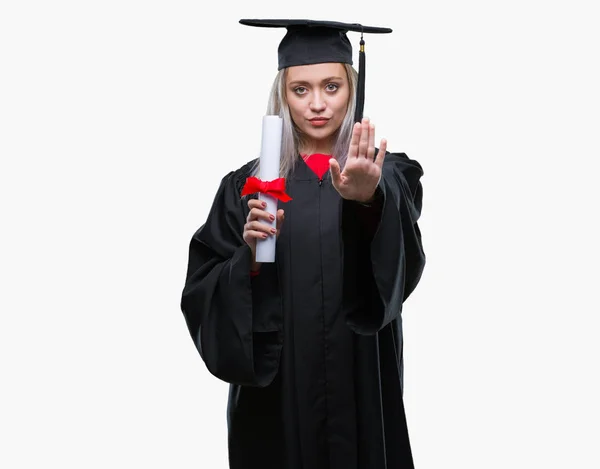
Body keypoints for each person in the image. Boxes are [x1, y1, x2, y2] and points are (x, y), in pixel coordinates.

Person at [180, 19, 426, 469]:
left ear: (352, 88)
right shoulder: (247, 187)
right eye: (301, 90)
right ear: (282, 94)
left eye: (331, 87)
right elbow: (201, 292)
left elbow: (399, 272)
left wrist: (369, 200)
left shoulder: (385, 175)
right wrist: (248, 261)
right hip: (279, 400)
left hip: (360, 387)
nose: (317, 104)